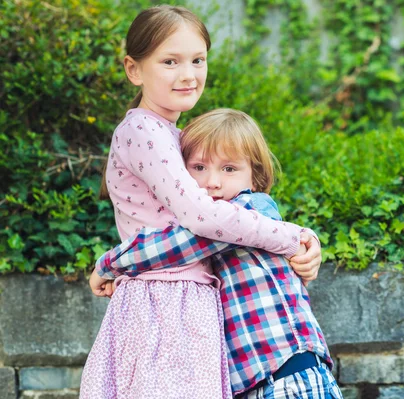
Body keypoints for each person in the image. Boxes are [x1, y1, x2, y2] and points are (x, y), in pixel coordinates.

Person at [80, 6, 321, 398]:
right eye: (170, 61)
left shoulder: (173, 135)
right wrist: (293, 238)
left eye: (198, 60)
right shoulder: (143, 130)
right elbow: (204, 218)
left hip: (182, 298)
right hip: (165, 301)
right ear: (134, 69)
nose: (189, 74)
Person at [92, 109, 343, 399]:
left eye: (229, 169)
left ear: (256, 176)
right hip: (260, 381)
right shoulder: (227, 223)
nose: (212, 182)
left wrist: (109, 265)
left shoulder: (249, 209)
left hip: (288, 374)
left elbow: (174, 246)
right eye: (198, 167)